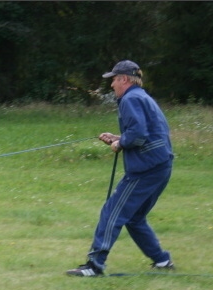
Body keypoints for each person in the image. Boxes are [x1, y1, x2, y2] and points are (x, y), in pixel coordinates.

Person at [66, 60, 174, 277]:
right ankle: (162, 261)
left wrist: (121, 143)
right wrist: (119, 137)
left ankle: (95, 266)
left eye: (114, 79)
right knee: (134, 217)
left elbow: (139, 134)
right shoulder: (142, 97)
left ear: (124, 79)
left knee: (112, 213)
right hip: (161, 165)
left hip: (145, 168)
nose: (112, 84)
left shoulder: (130, 98)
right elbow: (146, 131)